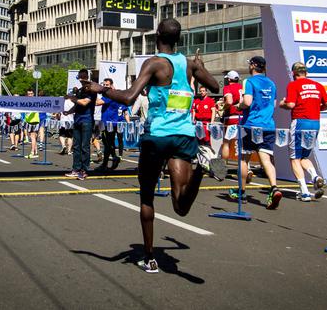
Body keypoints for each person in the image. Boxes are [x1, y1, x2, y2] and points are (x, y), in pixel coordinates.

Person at [81, 18, 223, 273]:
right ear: (178, 38)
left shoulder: (155, 63)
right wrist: (199, 69)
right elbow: (215, 87)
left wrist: (100, 88)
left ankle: (149, 258)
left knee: (147, 196)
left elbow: (127, 97)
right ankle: (200, 168)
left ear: (157, 34)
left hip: (157, 136)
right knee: (180, 206)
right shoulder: (189, 64)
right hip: (184, 136)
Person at [279, 62, 327, 202]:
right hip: (315, 123)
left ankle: (304, 191)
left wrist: (281, 103)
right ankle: (315, 176)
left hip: (300, 121)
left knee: (294, 158)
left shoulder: (293, 85)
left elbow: (290, 104)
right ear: (306, 73)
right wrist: (316, 108)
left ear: (294, 74)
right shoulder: (318, 85)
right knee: (304, 157)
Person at [234, 56, 282, 208]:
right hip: (268, 125)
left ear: (253, 66)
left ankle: (241, 192)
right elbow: (273, 105)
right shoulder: (271, 83)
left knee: (244, 159)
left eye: (250, 64)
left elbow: (247, 102)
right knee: (266, 160)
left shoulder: (249, 81)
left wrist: (239, 105)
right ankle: (274, 188)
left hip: (251, 124)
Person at [65, 69, 97, 180]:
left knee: (85, 146)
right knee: (76, 146)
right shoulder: (79, 91)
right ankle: (76, 169)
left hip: (87, 120)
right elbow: (77, 105)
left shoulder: (91, 90)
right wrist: (68, 112)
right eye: (80, 77)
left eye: (83, 77)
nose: (81, 79)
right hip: (77, 120)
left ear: (87, 77)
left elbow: (84, 103)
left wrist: (71, 98)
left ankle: (84, 170)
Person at [95, 78, 128, 172]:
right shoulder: (115, 94)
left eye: (107, 85)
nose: (105, 86)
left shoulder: (110, 95)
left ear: (111, 85)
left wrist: (93, 94)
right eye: (104, 85)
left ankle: (112, 159)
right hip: (112, 122)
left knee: (107, 144)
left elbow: (98, 102)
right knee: (109, 143)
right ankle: (110, 160)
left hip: (108, 123)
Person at [221, 70, 243, 162]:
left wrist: (223, 108)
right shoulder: (242, 87)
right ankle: (246, 167)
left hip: (231, 118)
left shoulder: (227, 87)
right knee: (242, 143)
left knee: (226, 142)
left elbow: (229, 101)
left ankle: (222, 166)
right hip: (242, 117)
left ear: (229, 79)